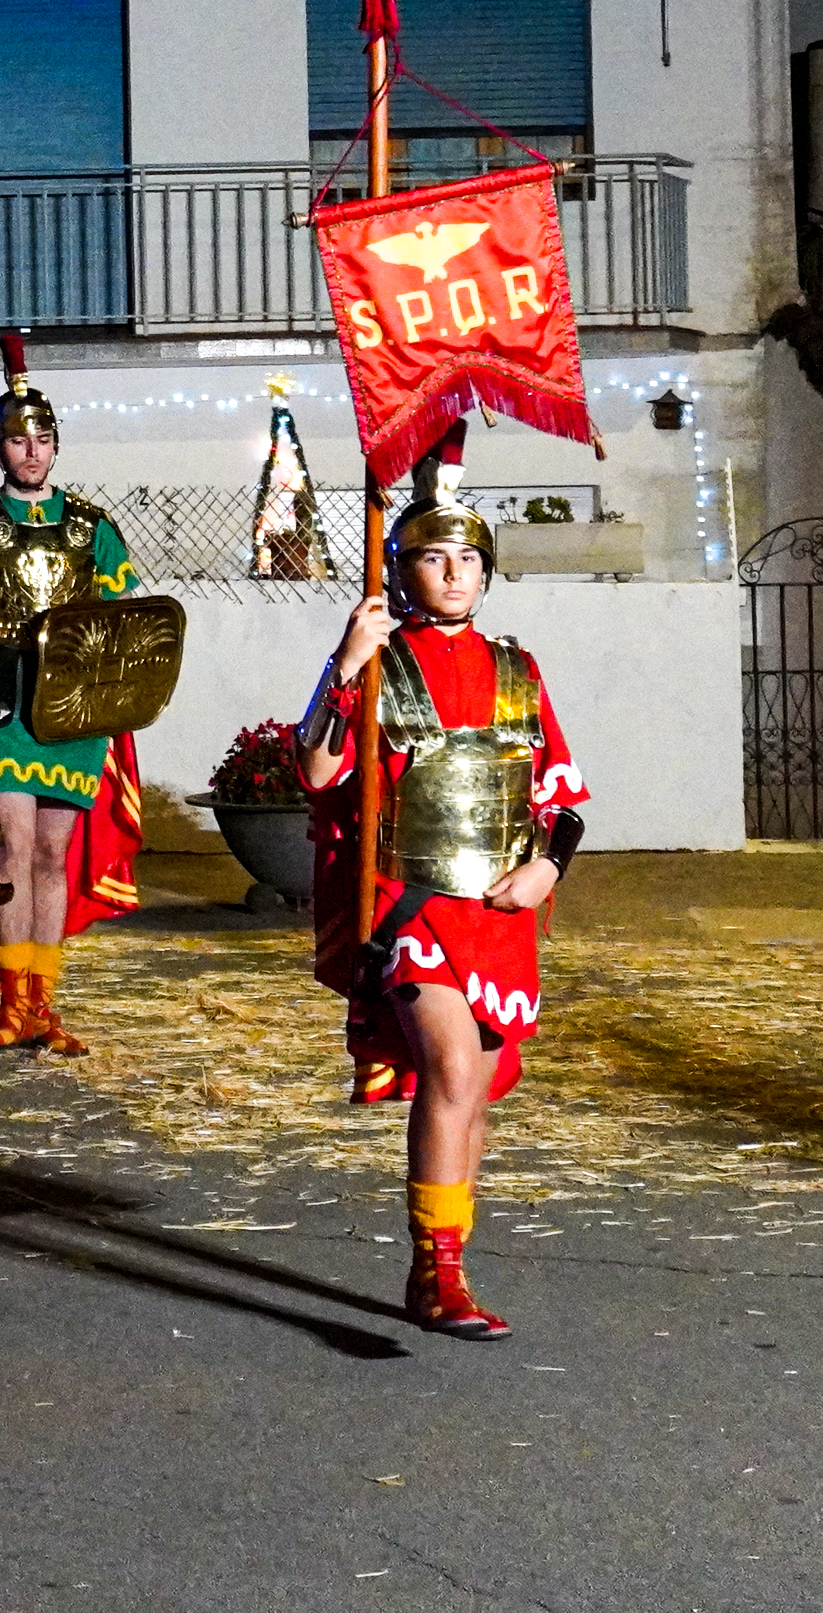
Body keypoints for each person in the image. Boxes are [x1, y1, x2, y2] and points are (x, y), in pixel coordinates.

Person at [296, 466, 588, 1342]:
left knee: (480, 1087)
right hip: (408, 904)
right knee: (454, 1070)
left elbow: (562, 802)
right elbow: (315, 770)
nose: (454, 573)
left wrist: (550, 870)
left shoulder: (517, 669)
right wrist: (344, 663)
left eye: (468, 557)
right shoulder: (380, 668)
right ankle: (437, 1275)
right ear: (401, 570)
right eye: (432, 557)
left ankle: (449, 1252)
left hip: (498, 911)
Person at [0, 334, 150, 1055]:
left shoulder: (91, 527)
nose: (31, 452)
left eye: (42, 439)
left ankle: (44, 1001)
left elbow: (126, 615)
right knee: (12, 848)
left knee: (53, 856)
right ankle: (10, 1000)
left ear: (55, 445)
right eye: (18, 441)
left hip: (70, 706)